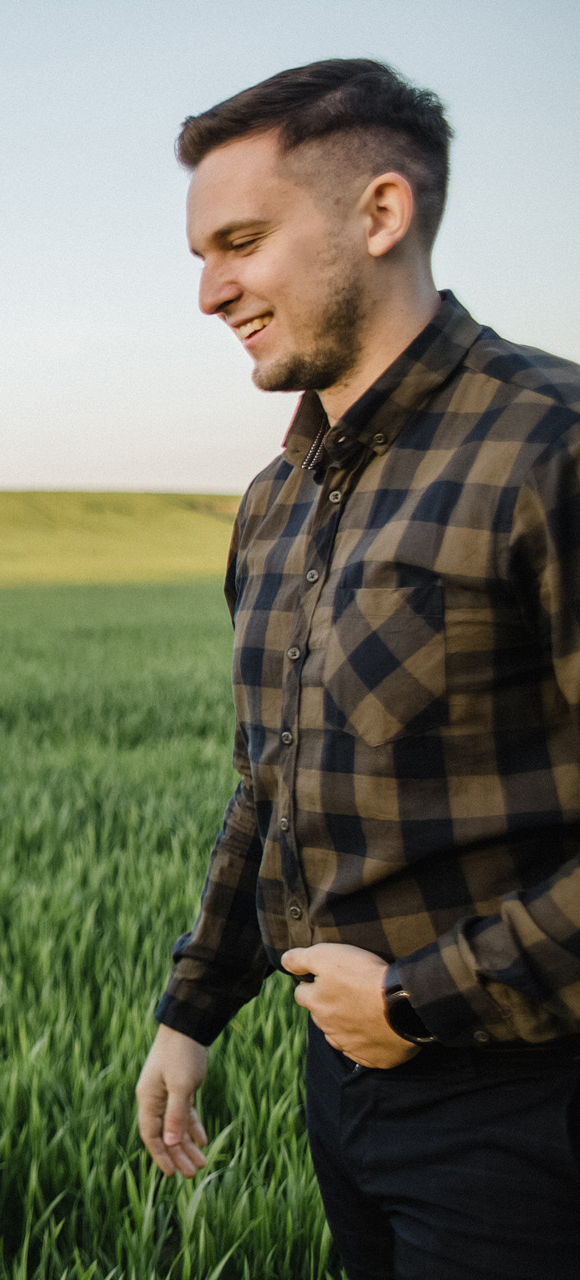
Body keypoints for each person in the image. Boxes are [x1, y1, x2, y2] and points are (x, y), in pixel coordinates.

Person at [133, 58, 580, 1277]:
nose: (213, 290)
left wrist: (422, 997)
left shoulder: (552, 447)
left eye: (241, 240)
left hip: (534, 1102)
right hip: (348, 1093)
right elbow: (269, 783)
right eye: (200, 256)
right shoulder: (277, 501)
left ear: (380, 215)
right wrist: (193, 1008)